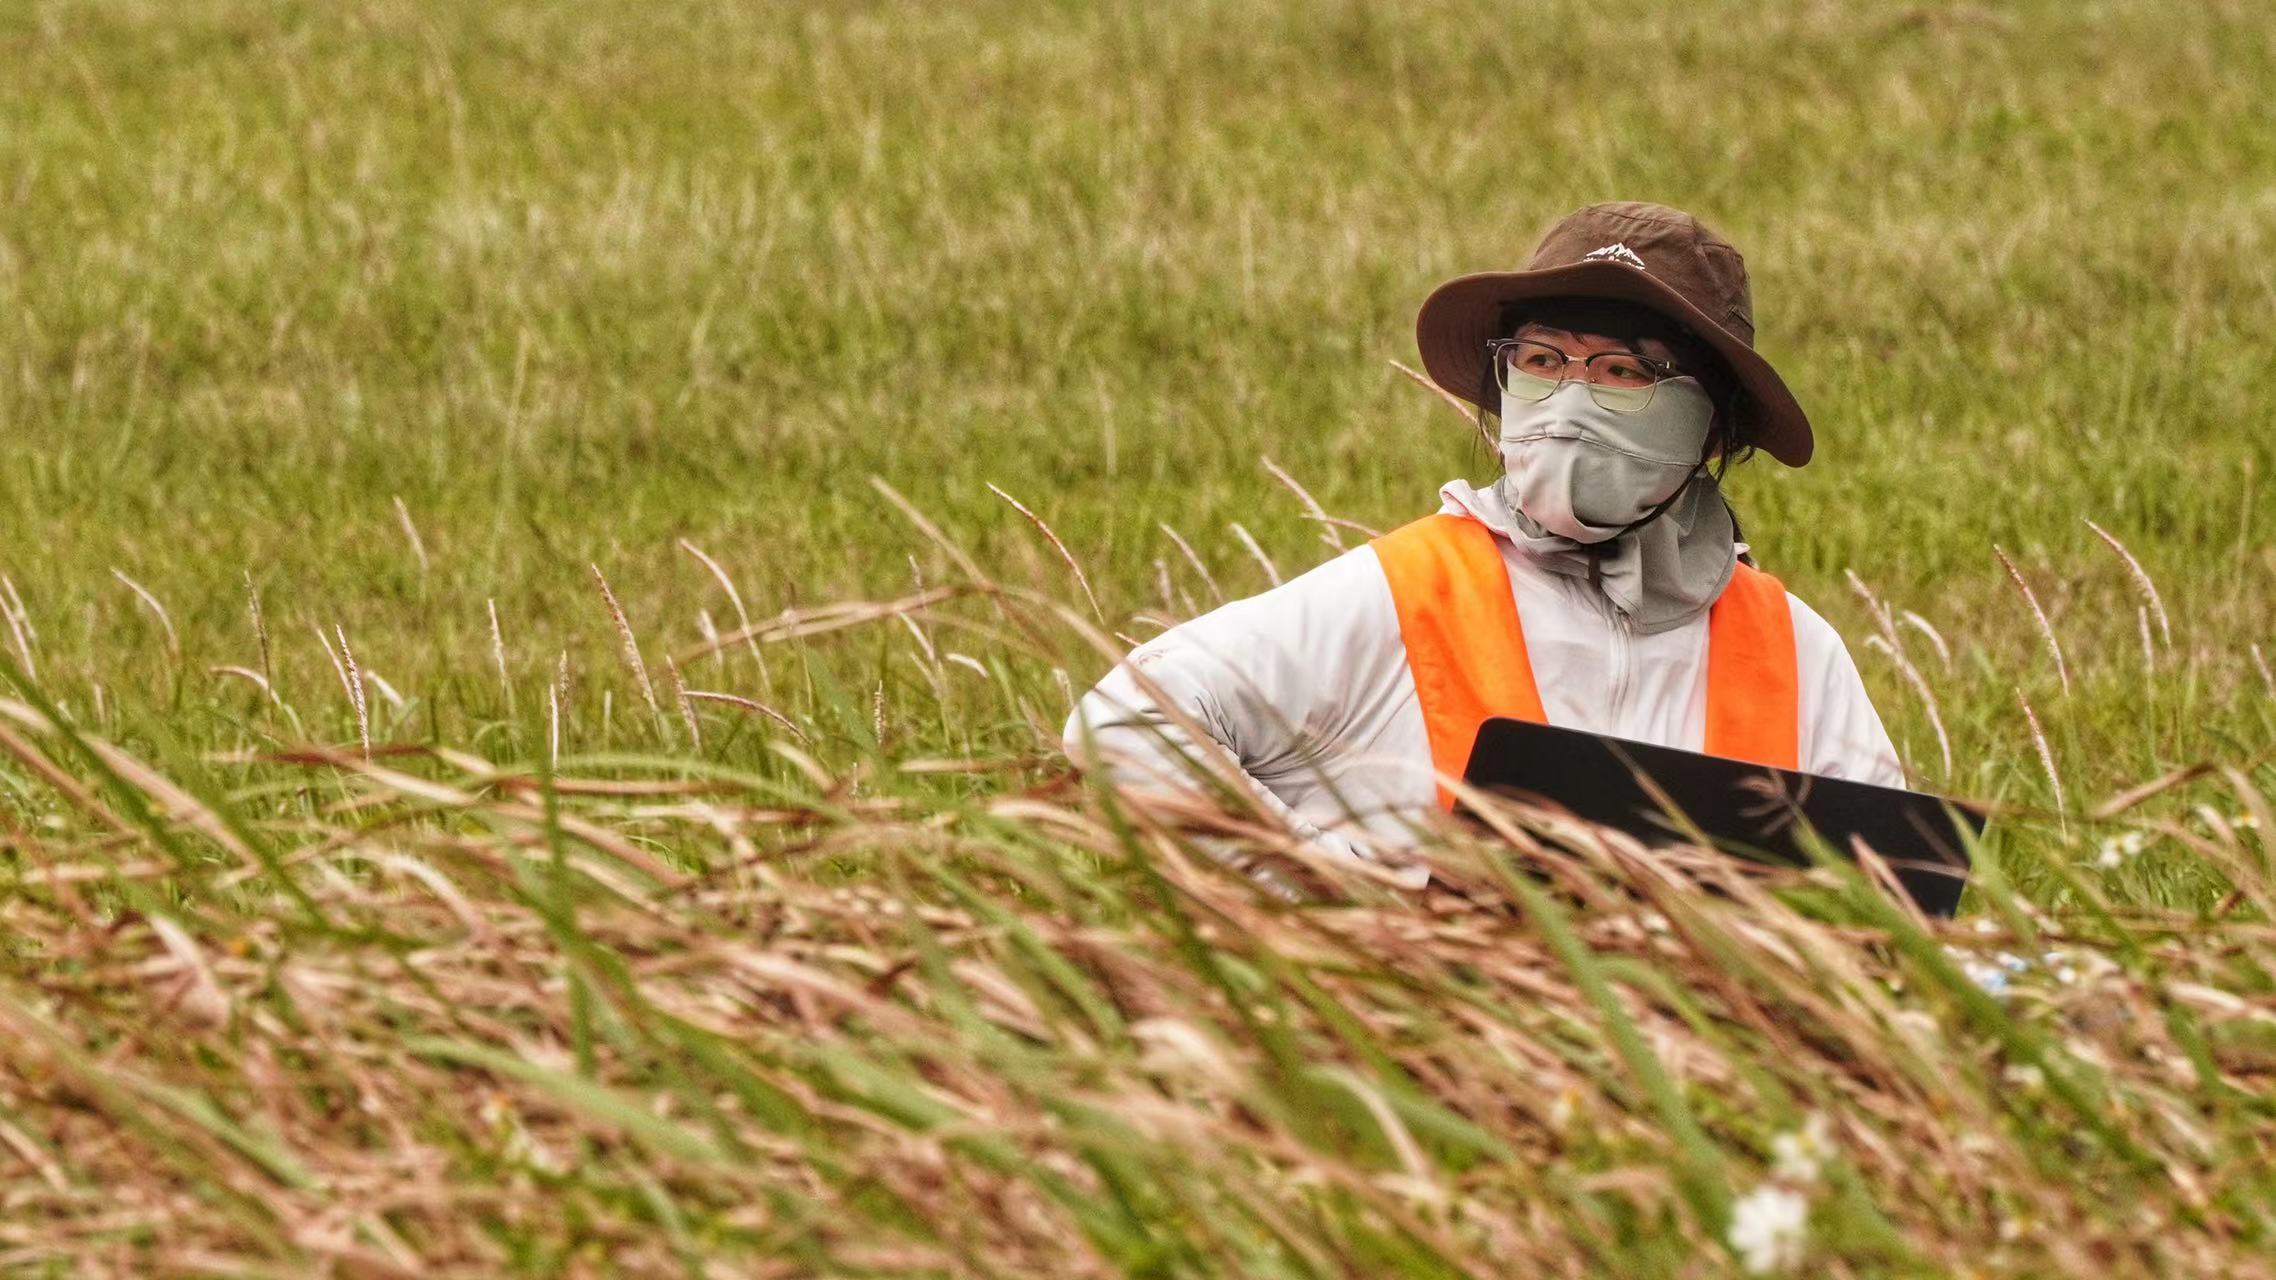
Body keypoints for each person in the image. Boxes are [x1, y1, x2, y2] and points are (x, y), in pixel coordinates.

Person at [1062, 201, 1901, 884]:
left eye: (1622, 371)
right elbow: (1121, 728)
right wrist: (1353, 898)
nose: (1569, 400)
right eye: (1541, 360)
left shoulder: (1796, 652)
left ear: (1710, 419)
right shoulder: (1403, 590)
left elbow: (1891, 910)